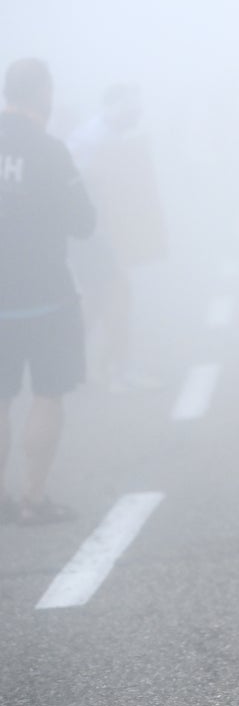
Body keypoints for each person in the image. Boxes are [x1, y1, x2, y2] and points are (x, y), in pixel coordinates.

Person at [0, 58, 96, 525]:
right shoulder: (50, 150)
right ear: (42, 93)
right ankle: (32, 499)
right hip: (45, 296)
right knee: (47, 394)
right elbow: (84, 223)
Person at [68, 83, 167, 392]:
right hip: (94, 234)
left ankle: (75, 363)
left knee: (98, 299)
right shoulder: (95, 139)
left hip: (95, 233)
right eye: (130, 109)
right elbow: (93, 185)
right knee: (118, 295)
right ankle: (117, 371)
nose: (135, 115)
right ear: (113, 107)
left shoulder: (102, 136)